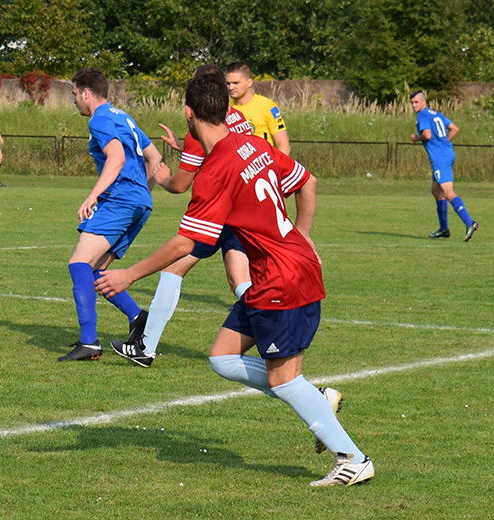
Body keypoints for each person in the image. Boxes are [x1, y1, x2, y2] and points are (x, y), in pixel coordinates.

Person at [95, 73, 374, 487]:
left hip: (282, 280)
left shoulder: (217, 168)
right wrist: (304, 235)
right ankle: (317, 400)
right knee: (223, 357)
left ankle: (352, 458)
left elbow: (188, 240)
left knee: (283, 378)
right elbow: (307, 181)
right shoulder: (252, 143)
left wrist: (129, 274)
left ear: (189, 114)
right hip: (279, 272)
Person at [109, 64, 253, 369]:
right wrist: (184, 147)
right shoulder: (238, 118)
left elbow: (181, 184)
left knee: (173, 268)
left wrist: (162, 178)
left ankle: (146, 347)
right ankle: (276, 322)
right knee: (239, 280)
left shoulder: (197, 134)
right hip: (246, 205)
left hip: (220, 213)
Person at [58, 68, 162, 362]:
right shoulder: (124, 117)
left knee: (78, 263)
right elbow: (155, 158)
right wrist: (142, 193)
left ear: (87, 93)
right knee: (93, 272)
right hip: (140, 202)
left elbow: (115, 157)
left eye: (75, 94)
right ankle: (137, 318)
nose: (74, 100)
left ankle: (89, 342)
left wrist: (93, 195)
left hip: (120, 200)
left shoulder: (99, 119)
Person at [410, 90, 479, 241]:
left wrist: (416, 138)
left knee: (447, 192)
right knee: (436, 191)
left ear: (423, 102)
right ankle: (444, 229)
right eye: (412, 102)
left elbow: (427, 135)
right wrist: (445, 143)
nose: (413, 105)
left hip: (440, 158)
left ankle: (470, 223)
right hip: (447, 154)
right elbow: (455, 129)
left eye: (416, 102)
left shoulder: (422, 115)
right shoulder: (436, 114)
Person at [225, 60, 291, 156]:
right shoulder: (224, 108)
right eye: (228, 83)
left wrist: (277, 169)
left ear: (249, 83)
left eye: (236, 83)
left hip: (263, 166)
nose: (231, 87)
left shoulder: (267, 106)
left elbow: (283, 144)